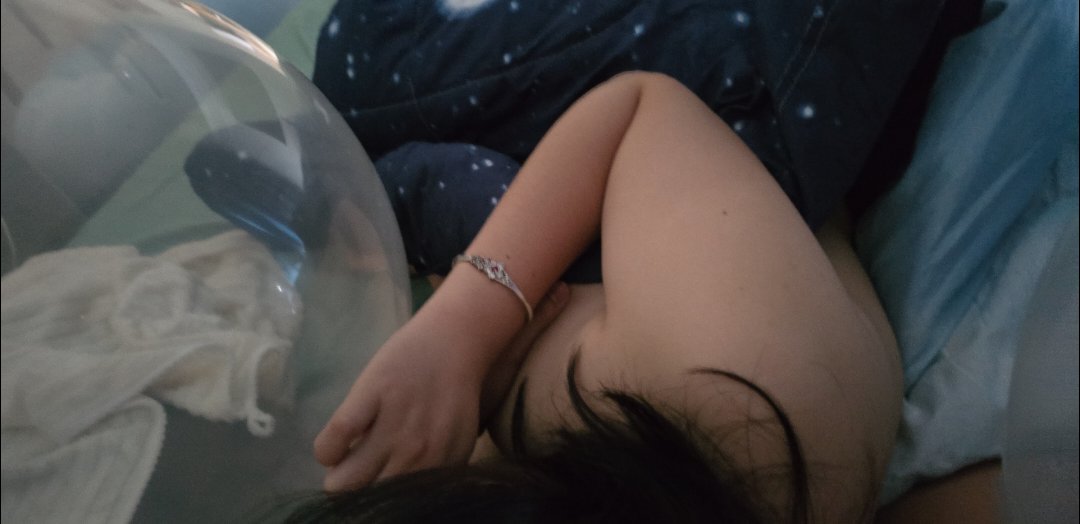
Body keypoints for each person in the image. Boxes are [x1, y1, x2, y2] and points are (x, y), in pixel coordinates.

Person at [296, 71, 903, 522]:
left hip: (583, 246)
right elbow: (645, 106)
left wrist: (478, 382)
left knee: (341, 134)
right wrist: (463, 325)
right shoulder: (750, 406)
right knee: (366, 86)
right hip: (717, 122)